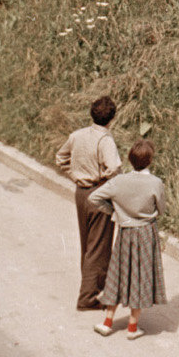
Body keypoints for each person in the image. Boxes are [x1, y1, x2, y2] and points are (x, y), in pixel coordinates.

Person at [90, 139, 167, 338]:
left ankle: (108, 321)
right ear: (150, 161)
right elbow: (162, 209)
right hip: (145, 232)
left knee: (118, 273)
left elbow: (94, 198)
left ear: (130, 160)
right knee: (140, 278)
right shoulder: (155, 183)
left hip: (125, 232)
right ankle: (132, 327)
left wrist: (114, 211)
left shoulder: (118, 181)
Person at [54, 94, 121, 311]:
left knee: (87, 242)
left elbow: (60, 158)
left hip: (81, 192)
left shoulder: (77, 135)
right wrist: (104, 178)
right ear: (112, 119)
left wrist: (74, 175)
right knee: (99, 246)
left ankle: (93, 285)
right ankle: (88, 297)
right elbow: (114, 169)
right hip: (98, 191)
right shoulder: (106, 140)